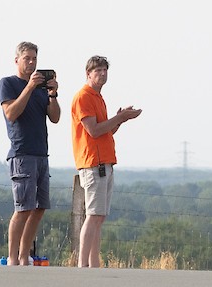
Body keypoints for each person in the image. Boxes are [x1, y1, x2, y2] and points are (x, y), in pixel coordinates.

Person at [71, 55, 142, 268]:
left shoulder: (98, 98)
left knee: (99, 216)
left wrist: (120, 119)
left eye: (104, 70)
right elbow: (93, 131)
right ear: (88, 74)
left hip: (105, 163)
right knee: (93, 215)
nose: (102, 74)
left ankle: (94, 264)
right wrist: (120, 118)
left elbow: (106, 131)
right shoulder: (83, 96)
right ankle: (83, 265)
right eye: (98, 70)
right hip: (93, 164)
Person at [0, 41, 61, 266]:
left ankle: (25, 255)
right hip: (21, 154)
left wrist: (52, 95)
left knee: (39, 207)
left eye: (35, 59)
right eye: (27, 59)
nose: (32, 63)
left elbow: (55, 118)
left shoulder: (41, 90)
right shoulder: (8, 84)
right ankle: (13, 258)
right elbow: (11, 113)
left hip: (42, 154)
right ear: (17, 60)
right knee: (23, 208)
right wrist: (29, 87)